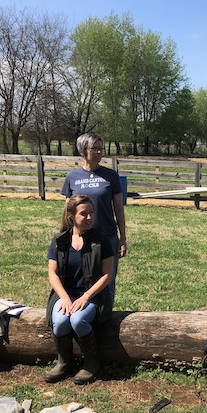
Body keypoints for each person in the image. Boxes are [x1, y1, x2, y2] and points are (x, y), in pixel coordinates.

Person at [45, 195, 114, 385]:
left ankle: (91, 363)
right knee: (59, 321)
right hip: (66, 295)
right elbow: (52, 273)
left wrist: (86, 296)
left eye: (92, 213)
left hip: (93, 296)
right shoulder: (60, 240)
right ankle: (65, 362)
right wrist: (65, 298)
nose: (90, 218)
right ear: (71, 216)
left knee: (78, 320)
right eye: (84, 214)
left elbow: (107, 275)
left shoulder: (102, 241)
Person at [61, 133, 126, 305]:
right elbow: (68, 211)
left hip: (106, 236)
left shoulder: (111, 176)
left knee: (108, 281)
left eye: (100, 148)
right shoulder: (72, 177)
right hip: (81, 239)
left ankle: (107, 317)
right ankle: (82, 315)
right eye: (94, 148)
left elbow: (118, 209)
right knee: (81, 281)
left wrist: (122, 238)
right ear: (84, 150)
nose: (99, 152)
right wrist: (67, 237)